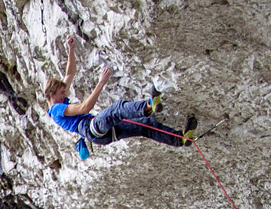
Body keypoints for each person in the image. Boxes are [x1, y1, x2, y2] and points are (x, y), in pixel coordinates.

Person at [44, 35, 197, 156]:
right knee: (117, 109)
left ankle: (180, 139)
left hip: (102, 135)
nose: (65, 94)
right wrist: (101, 82)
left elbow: (69, 74)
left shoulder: (58, 99)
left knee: (144, 125)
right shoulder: (57, 108)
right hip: (91, 128)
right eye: (62, 93)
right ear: (52, 95)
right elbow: (84, 108)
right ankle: (149, 105)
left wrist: (71, 48)